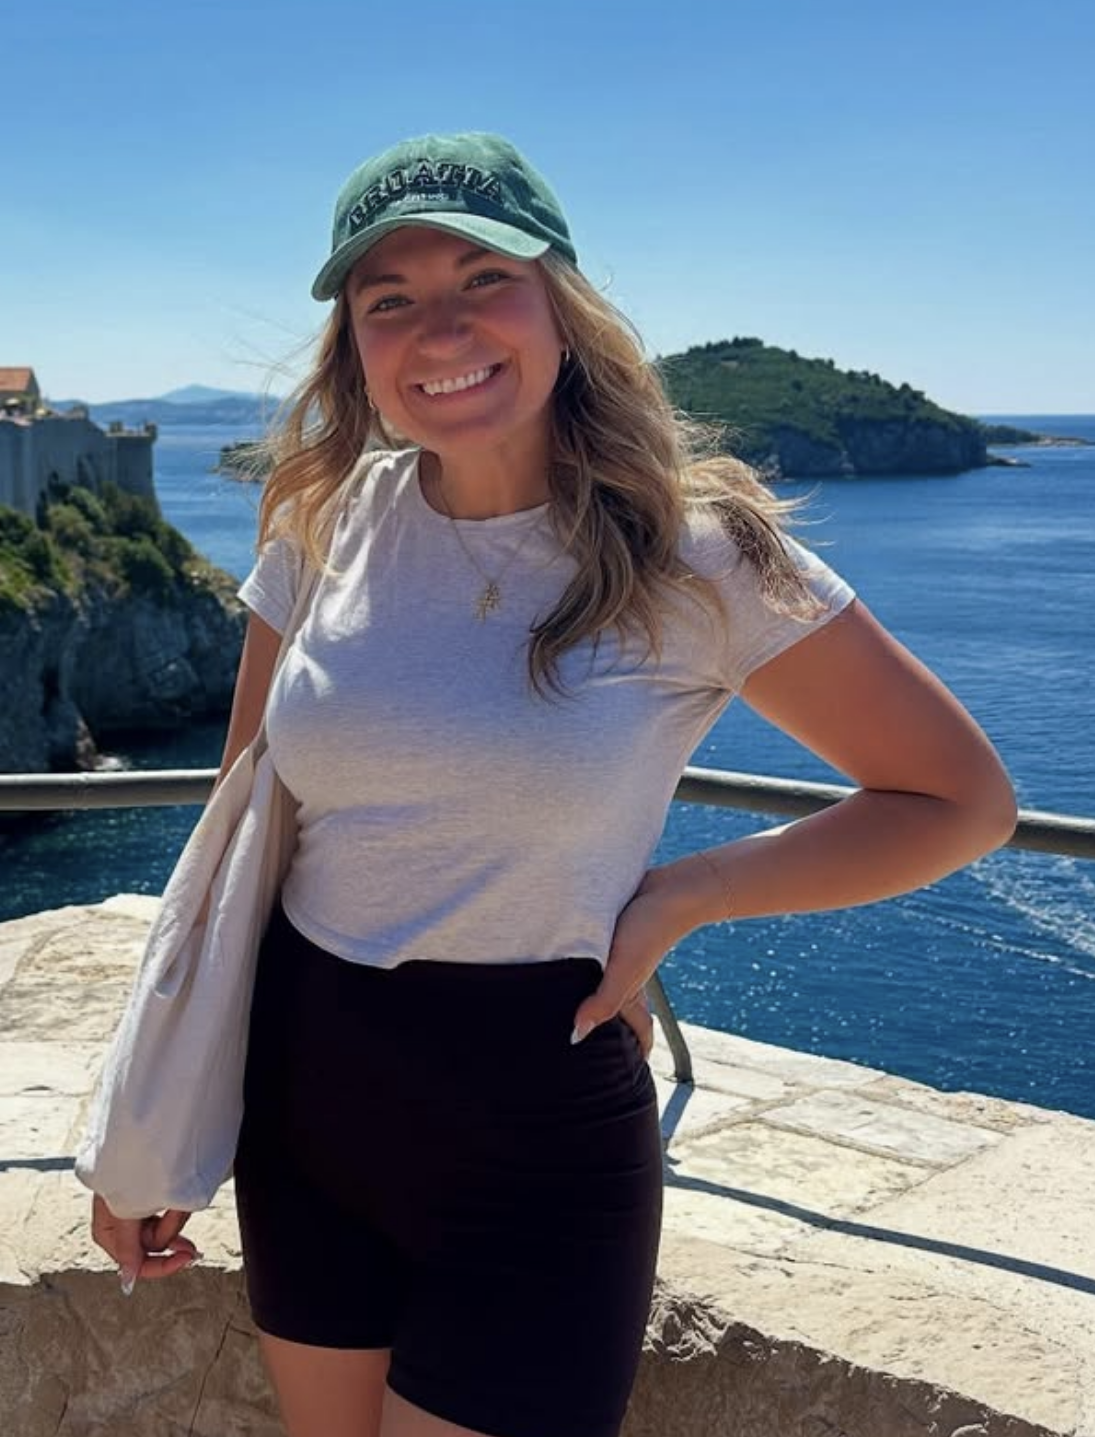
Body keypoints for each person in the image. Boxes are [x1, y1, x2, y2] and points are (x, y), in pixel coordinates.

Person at [91, 131, 1017, 1437]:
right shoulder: (321, 520)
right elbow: (236, 834)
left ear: (562, 309)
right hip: (304, 1100)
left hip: (534, 1129)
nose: (440, 329)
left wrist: (682, 897)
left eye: (485, 280)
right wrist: (156, 1125)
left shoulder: (695, 553)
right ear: (354, 344)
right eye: (389, 299)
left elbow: (957, 800)